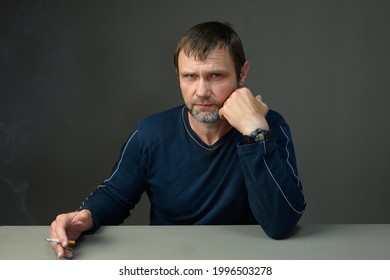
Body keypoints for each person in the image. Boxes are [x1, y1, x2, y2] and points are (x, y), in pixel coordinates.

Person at [50, 21, 306, 258]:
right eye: (190, 76)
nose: (202, 92)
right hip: (170, 262)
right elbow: (115, 195)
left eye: (216, 75)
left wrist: (255, 133)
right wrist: (86, 216)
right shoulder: (151, 133)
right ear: (178, 75)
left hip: (246, 263)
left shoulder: (269, 126)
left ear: (242, 73)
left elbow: (280, 223)